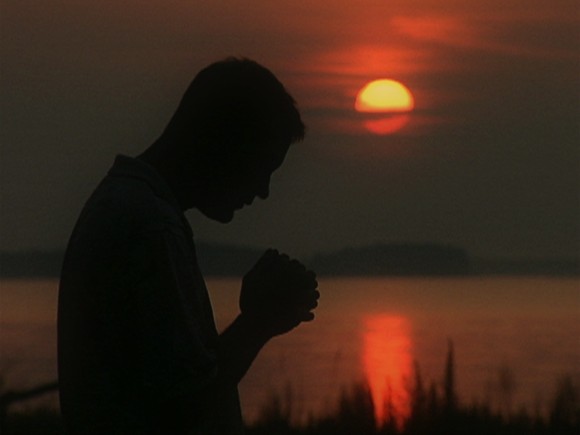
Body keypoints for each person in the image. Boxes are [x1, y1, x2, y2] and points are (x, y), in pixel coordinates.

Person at [58, 58, 319, 435]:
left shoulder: (129, 206)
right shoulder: (150, 226)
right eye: (263, 167)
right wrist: (258, 322)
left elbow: (161, 383)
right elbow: (182, 410)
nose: (262, 191)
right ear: (225, 143)